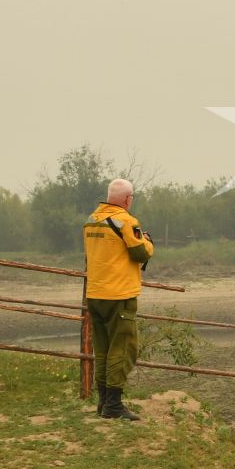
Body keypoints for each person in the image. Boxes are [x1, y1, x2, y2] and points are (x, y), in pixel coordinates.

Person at [83, 178, 155, 421]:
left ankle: (103, 401)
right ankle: (114, 404)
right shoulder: (126, 221)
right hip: (119, 295)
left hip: (95, 293)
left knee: (102, 348)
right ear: (128, 199)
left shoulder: (91, 220)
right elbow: (140, 252)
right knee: (123, 348)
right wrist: (148, 242)